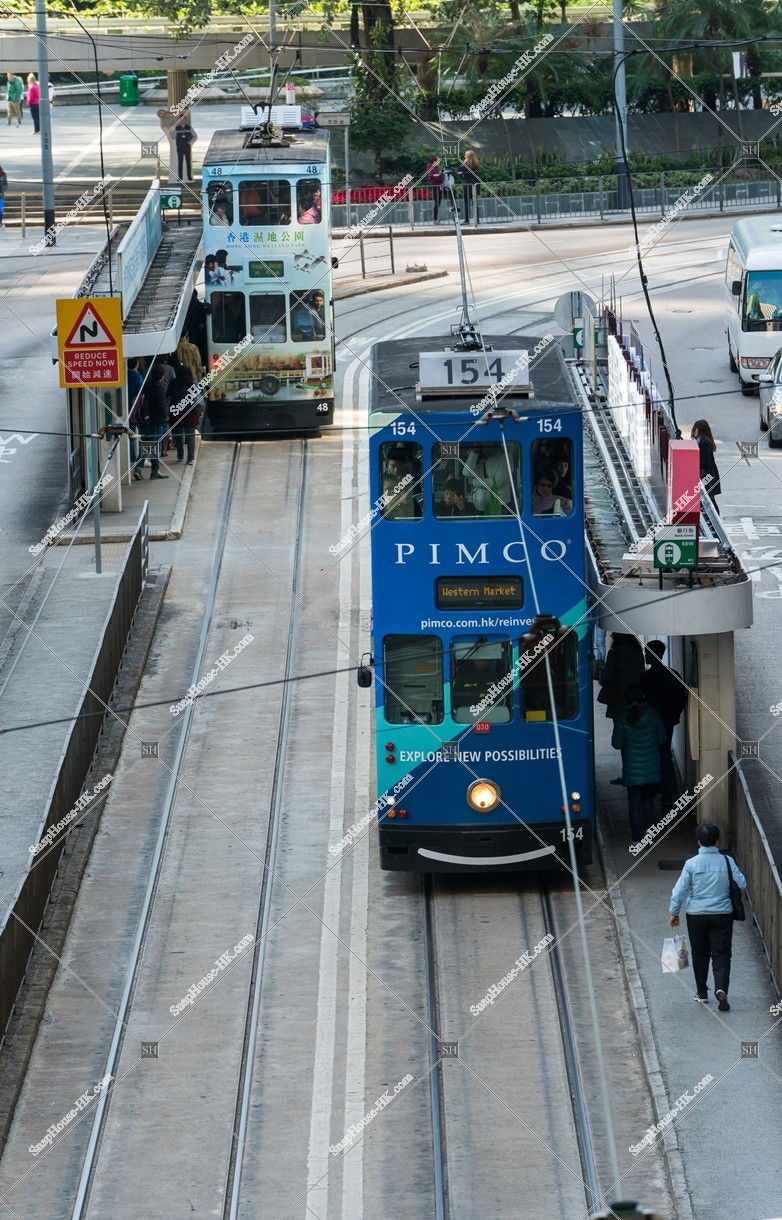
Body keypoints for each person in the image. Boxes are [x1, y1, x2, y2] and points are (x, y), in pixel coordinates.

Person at [669, 822, 747, 1009]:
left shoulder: (691, 864)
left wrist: (674, 912)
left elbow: (679, 891)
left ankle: (702, 992)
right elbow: (742, 884)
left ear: (698, 842)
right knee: (721, 954)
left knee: (700, 952)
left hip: (696, 914)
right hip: (723, 913)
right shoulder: (727, 861)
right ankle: (721, 988)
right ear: (717, 841)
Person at [611, 684, 667, 842]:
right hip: (651, 768)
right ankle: (650, 836)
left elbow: (617, 744)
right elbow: (662, 738)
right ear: (643, 696)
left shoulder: (622, 716)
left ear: (627, 698)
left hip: (632, 770)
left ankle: (636, 838)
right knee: (647, 800)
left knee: (634, 803)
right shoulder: (654, 714)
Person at [642, 641, 688, 801]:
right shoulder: (674, 674)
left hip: (650, 723)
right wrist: (674, 715)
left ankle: (653, 786)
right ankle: (667, 791)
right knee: (664, 753)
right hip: (667, 720)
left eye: (647, 653)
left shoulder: (645, 678)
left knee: (651, 754)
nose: (645, 656)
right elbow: (682, 698)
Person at [463, 444, 513, 513]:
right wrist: (474, 453)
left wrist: (474, 482)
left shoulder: (505, 457)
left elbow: (498, 482)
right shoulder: (478, 459)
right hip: (480, 505)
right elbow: (466, 473)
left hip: (500, 504)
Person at [143, 365, 169, 479]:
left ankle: (139, 469)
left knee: (147, 444)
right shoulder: (160, 388)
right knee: (155, 445)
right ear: (162, 376)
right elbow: (161, 405)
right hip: (157, 420)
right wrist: (165, 416)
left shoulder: (147, 385)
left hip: (146, 418)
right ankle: (155, 470)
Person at [691, 420, 721, 512]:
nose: (693, 432)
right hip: (709, 474)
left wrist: (693, 461)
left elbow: (706, 461)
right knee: (709, 497)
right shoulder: (702, 441)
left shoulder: (704, 443)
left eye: (695, 430)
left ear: (700, 430)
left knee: (709, 497)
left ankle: (715, 518)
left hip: (708, 475)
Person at [127, 357, 147, 481]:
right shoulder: (138, 377)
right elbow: (143, 391)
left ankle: (131, 459)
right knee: (145, 437)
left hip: (126, 410)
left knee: (129, 435)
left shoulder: (124, 375)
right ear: (137, 364)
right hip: (137, 411)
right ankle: (143, 464)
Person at [460, 149, 481, 224]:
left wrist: (461, 174)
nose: (464, 156)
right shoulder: (476, 164)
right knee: (475, 203)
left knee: (466, 203)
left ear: (467, 156)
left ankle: (467, 220)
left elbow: (461, 173)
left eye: (465, 154)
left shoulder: (464, 164)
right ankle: (477, 219)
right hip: (475, 184)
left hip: (467, 185)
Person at [174, 116, 196, 183]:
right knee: (180, 162)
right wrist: (170, 131)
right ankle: (180, 177)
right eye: (181, 119)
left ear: (185, 120)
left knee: (188, 162)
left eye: (183, 119)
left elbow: (195, 136)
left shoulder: (189, 128)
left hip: (187, 147)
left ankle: (189, 177)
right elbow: (173, 137)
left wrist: (190, 142)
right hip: (179, 147)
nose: (182, 121)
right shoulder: (176, 128)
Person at [426, 155, 445, 223]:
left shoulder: (436, 168)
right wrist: (441, 176)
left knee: (438, 202)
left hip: (438, 186)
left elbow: (440, 175)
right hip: (435, 186)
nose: (440, 162)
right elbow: (437, 177)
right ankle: (435, 218)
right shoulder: (432, 168)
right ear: (434, 161)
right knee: (437, 202)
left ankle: (436, 218)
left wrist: (440, 175)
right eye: (438, 161)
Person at [0, 164, 7, 228]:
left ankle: (0, 222)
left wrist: (2, 191)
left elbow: (5, 185)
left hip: (1, 195)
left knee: (0, 210)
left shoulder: (3, 174)